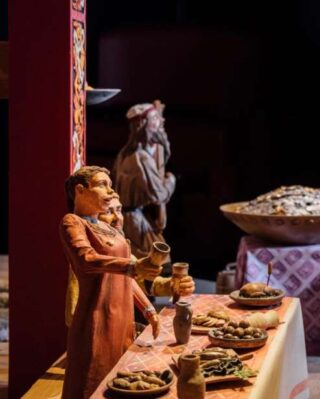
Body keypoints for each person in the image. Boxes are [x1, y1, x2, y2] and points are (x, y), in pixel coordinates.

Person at [60, 166, 162, 399]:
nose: (110, 189)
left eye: (110, 184)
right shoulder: (73, 223)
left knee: (120, 379)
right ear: (80, 190)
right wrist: (132, 266)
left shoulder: (107, 227)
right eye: (102, 184)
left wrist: (148, 309)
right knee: (92, 378)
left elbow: (125, 276)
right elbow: (86, 259)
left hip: (122, 317)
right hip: (98, 317)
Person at [113, 101, 176, 258]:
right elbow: (159, 195)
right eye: (154, 118)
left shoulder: (124, 153)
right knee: (157, 260)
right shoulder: (141, 158)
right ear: (143, 124)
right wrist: (171, 180)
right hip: (133, 222)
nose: (160, 122)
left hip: (128, 218)